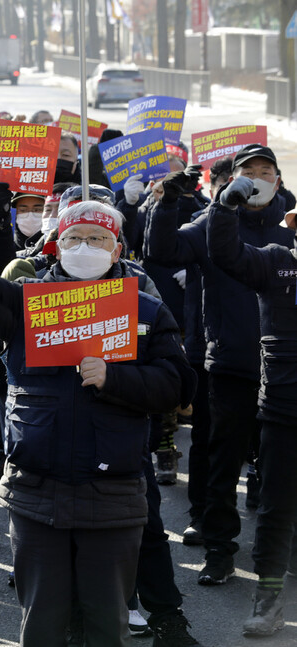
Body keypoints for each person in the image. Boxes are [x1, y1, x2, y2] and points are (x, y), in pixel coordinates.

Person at [0, 193, 192, 647]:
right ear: (55, 245)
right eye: (74, 237)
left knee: (105, 623)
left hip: (113, 490)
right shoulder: (25, 303)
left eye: (97, 238)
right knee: (42, 622)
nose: (85, 246)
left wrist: (115, 378)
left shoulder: (146, 310)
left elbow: (178, 386)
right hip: (37, 489)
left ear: (117, 250)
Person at [144, 145, 294, 585]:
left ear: (279, 181)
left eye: (266, 172)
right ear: (232, 181)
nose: (258, 179)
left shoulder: (292, 227)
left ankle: (283, 550)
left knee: (280, 465)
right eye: (249, 172)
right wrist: (166, 202)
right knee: (221, 460)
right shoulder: (215, 221)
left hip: (287, 372)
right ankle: (219, 548)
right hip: (232, 363)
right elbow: (163, 250)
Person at [205, 174, 297, 635]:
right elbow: (226, 255)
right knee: (277, 508)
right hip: (284, 413)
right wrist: (224, 208)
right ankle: (268, 596)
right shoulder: (278, 264)